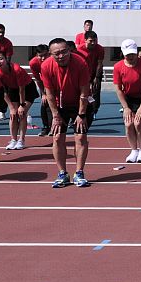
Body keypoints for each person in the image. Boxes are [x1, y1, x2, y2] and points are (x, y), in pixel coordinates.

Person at [39, 37, 92, 188]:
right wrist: (55, 115)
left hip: (78, 102)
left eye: (64, 52)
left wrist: (81, 114)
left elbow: (84, 91)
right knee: (57, 137)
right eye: (56, 53)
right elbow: (49, 92)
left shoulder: (80, 63)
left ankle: (79, 173)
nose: (61, 56)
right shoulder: (46, 66)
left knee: (81, 136)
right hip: (57, 104)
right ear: (50, 54)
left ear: (70, 51)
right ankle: (62, 173)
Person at [112, 40, 141, 164]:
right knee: (128, 124)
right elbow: (118, 89)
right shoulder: (118, 67)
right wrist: (125, 108)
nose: (130, 57)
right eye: (127, 54)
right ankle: (133, 150)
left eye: (132, 54)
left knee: (137, 123)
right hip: (129, 98)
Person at [0, 51, 35, 151]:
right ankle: (13, 139)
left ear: (6, 59)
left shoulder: (16, 69)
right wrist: (11, 107)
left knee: (22, 113)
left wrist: (22, 105)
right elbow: (3, 91)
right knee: (13, 114)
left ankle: (21, 140)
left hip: (26, 89)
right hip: (12, 89)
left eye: (1, 58)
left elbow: (22, 89)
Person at [75, 30, 106, 123]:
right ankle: (79, 112)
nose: (93, 43)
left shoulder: (100, 49)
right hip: (82, 75)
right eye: (91, 41)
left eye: (95, 41)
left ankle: (93, 110)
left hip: (95, 73)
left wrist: (96, 77)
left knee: (95, 92)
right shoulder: (79, 50)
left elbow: (99, 63)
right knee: (81, 94)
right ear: (85, 40)